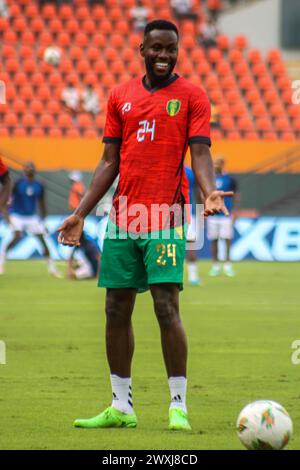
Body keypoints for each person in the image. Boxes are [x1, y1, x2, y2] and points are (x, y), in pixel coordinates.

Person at [57, 19, 233, 431]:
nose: (163, 56)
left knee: (165, 307)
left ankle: (178, 405)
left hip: (166, 217)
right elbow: (108, 162)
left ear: (177, 51)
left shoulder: (192, 96)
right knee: (115, 308)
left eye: (170, 49)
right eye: (156, 48)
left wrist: (208, 189)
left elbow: (201, 153)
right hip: (122, 218)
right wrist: (81, 213)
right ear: (142, 49)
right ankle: (121, 406)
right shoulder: (121, 96)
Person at [0, 161, 62, 277]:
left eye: (32, 167)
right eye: (28, 167)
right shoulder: (18, 183)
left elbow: (42, 203)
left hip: (32, 217)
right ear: (23, 169)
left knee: (43, 241)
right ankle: (1, 263)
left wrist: (44, 220)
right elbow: (8, 199)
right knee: (16, 235)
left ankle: (52, 269)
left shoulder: (39, 185)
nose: (30, 169)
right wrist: (7, 215)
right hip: (17, 215)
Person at [207, 157, 238, 277]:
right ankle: (215, 266)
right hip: (213, 214)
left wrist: (234, 212)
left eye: (218, 163)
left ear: (223, 164)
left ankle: (228, 265)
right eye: (214, 163)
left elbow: (236, 196)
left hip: (226, 215)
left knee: (227, 240)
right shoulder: (209, 178)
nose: (216, 165)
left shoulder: (230, 179)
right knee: (214, 240)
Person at [184, 164, 202, 286]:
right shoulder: (190, 172)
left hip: (165, 211)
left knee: (167, 245)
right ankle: (193, 277)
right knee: (190, 245)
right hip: (187, 211)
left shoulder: (163, 168)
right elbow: (197, 193)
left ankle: (165, 277)